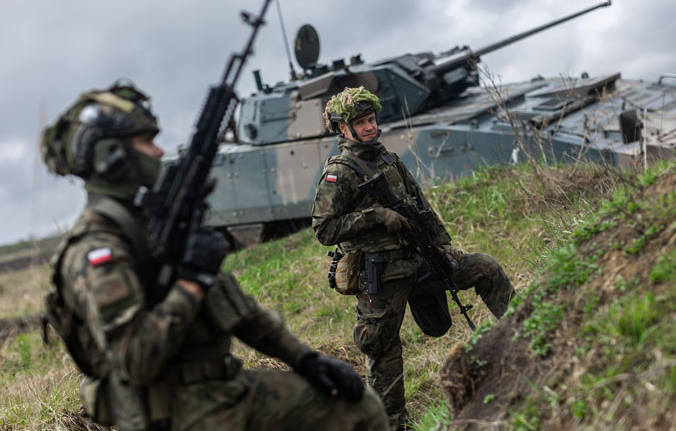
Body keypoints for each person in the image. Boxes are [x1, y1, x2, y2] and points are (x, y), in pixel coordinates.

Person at [41, 80, 388, 431]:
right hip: (169, 413)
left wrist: (305, 360)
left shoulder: (150, 228)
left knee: (357, 409)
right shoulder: (97, 249)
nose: (160, 152)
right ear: (110, 157)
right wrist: (191, 280)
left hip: (222, 391)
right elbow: (135, 361)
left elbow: (236, 308)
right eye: (147, 142)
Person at [311, 86, 515, 430]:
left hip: (420, 260)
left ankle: (525, 333)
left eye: (372, 119)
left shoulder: (389, 159)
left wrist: (444, 245)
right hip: (381, 275)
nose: (369, 127)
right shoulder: (340, 171)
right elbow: (324, 229)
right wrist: (375, 217)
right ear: (343, 129)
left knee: (484, 267)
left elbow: (423, 209)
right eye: (360, 122)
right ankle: (392, 423)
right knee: (383, 349)